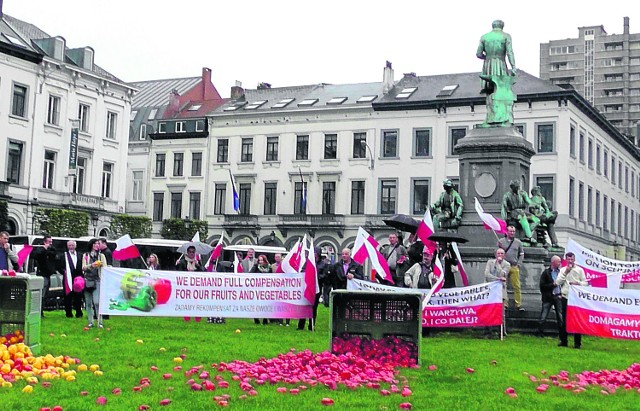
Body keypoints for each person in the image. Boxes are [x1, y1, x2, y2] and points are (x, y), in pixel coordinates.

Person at [556, 252, 588, 349]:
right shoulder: (562, 270)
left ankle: (577, 343)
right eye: (568, 259)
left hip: (576, 298)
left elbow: (585, 283)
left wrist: (578, 283)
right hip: (566, 296)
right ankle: (563, 341)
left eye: (572, 259)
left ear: (574, 260)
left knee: (576, 320)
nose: (570, 261)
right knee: (564, 320)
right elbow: (558, 282)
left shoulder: (580, 270)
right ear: (566, 260)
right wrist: (566, 272)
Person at [476, 19, 516, 94]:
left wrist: (486, 57)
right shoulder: (506, 36)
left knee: (489, 90)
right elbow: (510, 52)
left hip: (488, 66)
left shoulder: (484, 37)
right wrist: (513, 67)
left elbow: (478, 54)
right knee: (501, 87)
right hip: (501, 65)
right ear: (502, 27)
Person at [497, 225, 525, 311]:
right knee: (503, 285)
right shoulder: (501, 241)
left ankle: (518, 304)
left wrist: (519, 263)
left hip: (514, 266)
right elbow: (497, 252)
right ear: (506, 232)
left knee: (517, 286)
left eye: (513, 231)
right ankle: (505, 303)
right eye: (510, 231)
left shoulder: (518, 242)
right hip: (504, 266)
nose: (512, 233)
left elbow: (521, 254)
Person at [298, 247, 326, 331]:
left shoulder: (323, 264)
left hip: (316, 289)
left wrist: (316, 277)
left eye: (315, 253)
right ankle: (301, 326)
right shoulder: (308, 262)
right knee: (304, 307)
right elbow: (303, 270)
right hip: (307, 287)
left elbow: (324, 275)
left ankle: (311, 325)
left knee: (313, 308)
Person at [82, 238, 107, 328]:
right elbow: (83, 268)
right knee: (88, 303)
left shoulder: (101, 256)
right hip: (87, 281)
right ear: (91, 245)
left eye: (98, 244)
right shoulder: (86, 255)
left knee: (97, 302)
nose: (97, 245)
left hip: (97, 280)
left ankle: (100, 322)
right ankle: (90, 321)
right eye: (95, 243)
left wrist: (100, 264)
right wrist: (91, 265)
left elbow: (105, 268)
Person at [537, 255, 564, 338]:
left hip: (558, 296)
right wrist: (552, 285)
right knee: (543, 315)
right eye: (558, 261)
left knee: (560, 316)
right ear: (553, 262)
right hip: (548, 297)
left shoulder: (561, 273)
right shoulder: (546, 273)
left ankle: (561, 334)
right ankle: (540, 332)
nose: (560, 263)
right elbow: (542, 286)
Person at [31, 235, 58, 317]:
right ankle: (39, 312)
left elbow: (54, 254)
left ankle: (41, 312)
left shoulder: (52, 250)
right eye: (48, 242)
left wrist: (47, 250)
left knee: (45, 294)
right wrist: (43, 249)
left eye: (51, 242)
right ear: (44, 242)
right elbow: (35, 255)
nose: (50, 244)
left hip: (48, 274)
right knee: (41, 295)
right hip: (42, 275)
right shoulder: (40, 250)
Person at [176, 246, 203, 322]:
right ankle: (187, 318)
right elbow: (178, 273)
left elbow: (203, 273)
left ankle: (198, 318)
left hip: (196, 286)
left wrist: (198, 266)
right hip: (186, 286)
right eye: (190, 252)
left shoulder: (198, 262)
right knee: (186, 302)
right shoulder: (183, 262)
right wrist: (177, 264)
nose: (191, 253)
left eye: (193, 252)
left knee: (197, 302)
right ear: (187, 253)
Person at [59, 240, 84, 318]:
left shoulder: (80, 255)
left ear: (75, 246)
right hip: (68, 278)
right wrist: (64, 272)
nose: (71, 247)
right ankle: (68, 313)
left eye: (72, 245)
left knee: (78, 296)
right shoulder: (64, 256)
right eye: (69, 245)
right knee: (68, 296)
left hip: (78, 278)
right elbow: (59, 266)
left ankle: (79, 313)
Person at [251, 254, 272, 325]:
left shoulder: (269, 268)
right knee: (256, 304)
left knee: (265, 305)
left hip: (266, 289)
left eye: (262, 260)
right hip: (257, 289)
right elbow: (250, 275)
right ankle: (256, 319)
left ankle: (265, 320)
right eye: (259, 260)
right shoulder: (256, 267)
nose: (260, 262)